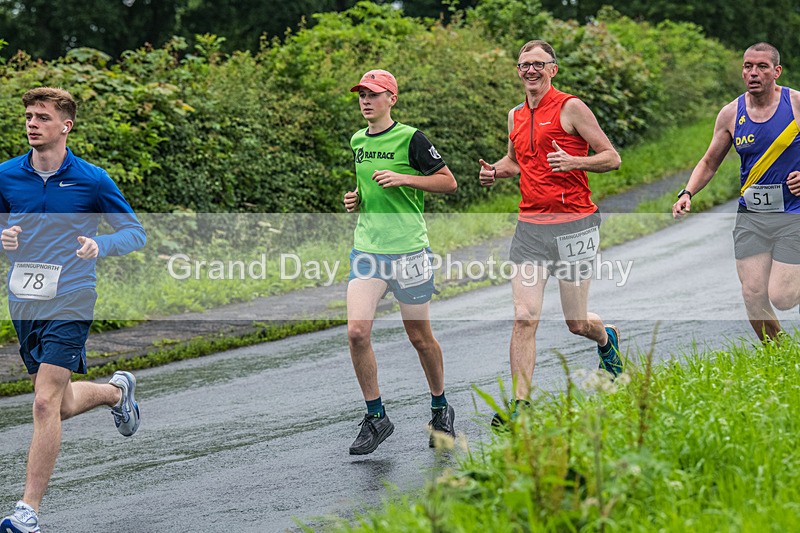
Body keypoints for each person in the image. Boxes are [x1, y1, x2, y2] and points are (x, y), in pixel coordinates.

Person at [0, 87, 146, 533]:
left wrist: (98, 244)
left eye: (42, 117)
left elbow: (135, 233)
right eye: (28, 115)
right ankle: (116, 393)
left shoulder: (92, 178)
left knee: (43, 402)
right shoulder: (6, 175)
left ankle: (28, 511)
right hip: (24, 298)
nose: (31, 123)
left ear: (66, 126)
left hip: (73, 295)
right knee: (58, 406)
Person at [477, 40, 623, 421]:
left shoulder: (571, 107)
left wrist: (575, 160)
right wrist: (494, 170)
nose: (530, 71)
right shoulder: (514, 116)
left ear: (552, 69)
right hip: (530, 226)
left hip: (574, 224)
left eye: (537, 64)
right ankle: (520, 407)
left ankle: (606, 338)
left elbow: (612, 157)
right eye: (523, 64)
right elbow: (515, 162)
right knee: (524, 316)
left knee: (576, 323)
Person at [343, 69, 458, 455]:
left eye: (373, 94)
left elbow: (448, 182)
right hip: (368, 250)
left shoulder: (412, 139)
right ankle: (376, 417)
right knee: (357, 331)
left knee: (419, 337)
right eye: (361, 94)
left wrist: (404, 179)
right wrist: (355, 199)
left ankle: (441, 408)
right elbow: (366, 187)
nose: (365, 100)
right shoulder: (358, 139)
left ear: (391, 98)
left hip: (409, 251)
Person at [673, 42, 800, 341]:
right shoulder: (731, 114)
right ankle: (778, 356)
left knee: (782, 298)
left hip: (793, 211)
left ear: (776, 71)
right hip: (752, 215)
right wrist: (687, 192)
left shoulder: (795, 104)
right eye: (748, 66)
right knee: (753, 293)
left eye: (762, 67)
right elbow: (709, 162)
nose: (753, 73)